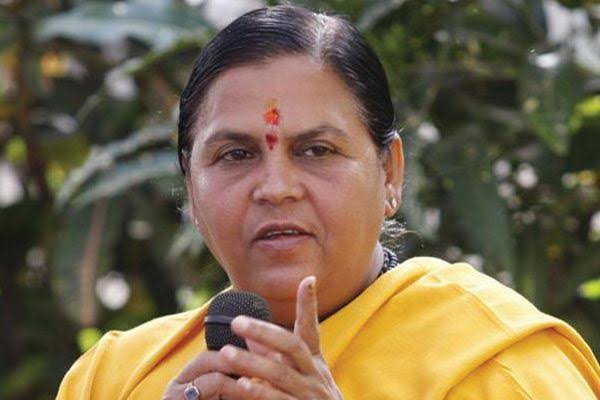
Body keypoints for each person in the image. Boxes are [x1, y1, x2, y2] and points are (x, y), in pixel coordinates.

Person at [57, 5, 600, 399]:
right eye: (236, 155)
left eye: (317, 150)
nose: (276, 187)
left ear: (390, 173)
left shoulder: (498, 369)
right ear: (191, 190)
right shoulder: (115, 380)